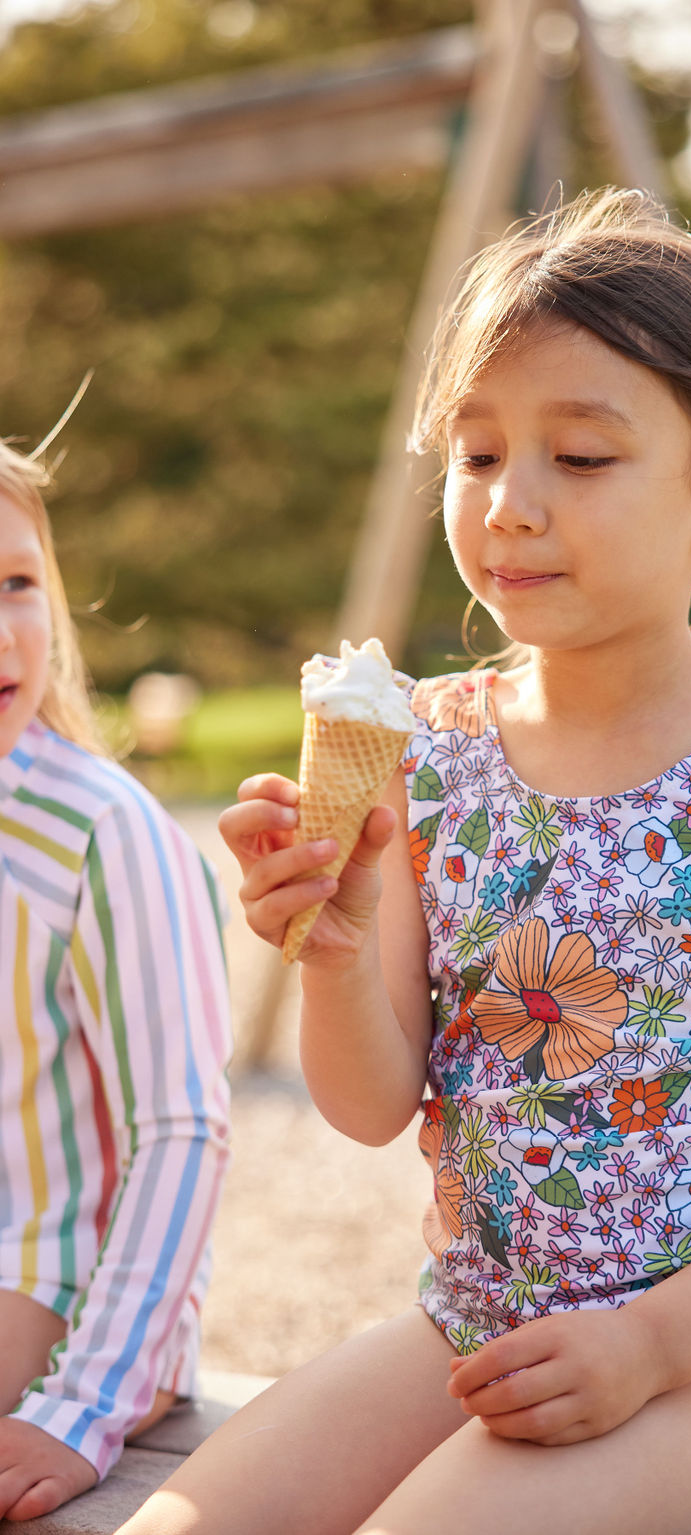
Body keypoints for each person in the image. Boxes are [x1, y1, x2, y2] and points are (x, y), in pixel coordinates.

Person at [122, 187, 691, 1535]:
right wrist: (331, 945)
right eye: (477, 452)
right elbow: (371, 1104)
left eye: (582, 457)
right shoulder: (425, 749)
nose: (510, 504)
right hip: (470, 1323)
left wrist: (653, 1341)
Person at [0, 437, 232, 1522]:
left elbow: (181, 1127)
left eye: (18, 583)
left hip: (58, 1289)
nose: (5, 631)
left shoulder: (100, 832)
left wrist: (82, 1404)